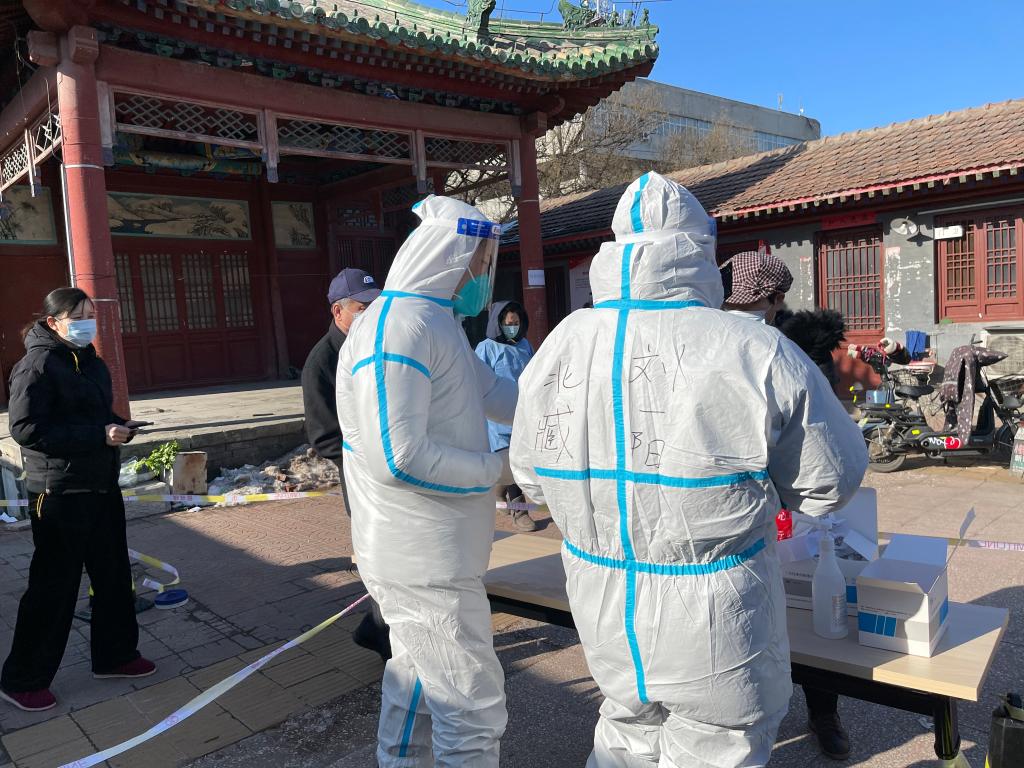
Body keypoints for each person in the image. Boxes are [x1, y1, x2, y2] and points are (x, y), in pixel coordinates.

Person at [509, 173, 868, 768]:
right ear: (701, 250)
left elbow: (530, 474)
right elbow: (831, 479)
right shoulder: (752, 345)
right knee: (717, 746)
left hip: (602, 603)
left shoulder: (562, 341)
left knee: (625, 731)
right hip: (716, 614)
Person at [336, 196, 517, 767]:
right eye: (481, 259)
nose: (484, 273)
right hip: (422, 557)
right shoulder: (399, 328)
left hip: (434, 552)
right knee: (470, 708)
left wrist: (568, 406)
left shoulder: (436, 323)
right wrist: (501, 469)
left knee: (416, 685)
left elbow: (495, 393)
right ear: (452, 254)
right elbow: (399, 456)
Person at [722, 253, 853, 762]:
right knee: (754, 612)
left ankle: (823, 710)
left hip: (794, 501)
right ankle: (755, 711)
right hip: (742, 507)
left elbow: (825, 442)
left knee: (813, 595)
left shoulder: (795, 345)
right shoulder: (707, 341)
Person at [2, 288, 156, 713]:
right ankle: (22, 679)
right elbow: (26, 429)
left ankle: (115, 656)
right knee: (54, 586)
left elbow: (94, 416)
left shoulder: (90, 361)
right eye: (78, 316)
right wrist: (97, 435)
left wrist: (119, 426)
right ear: (53, 322)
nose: (87, 323)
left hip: (100, 484)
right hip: (60, 491)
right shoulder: (36, 365)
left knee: (113, 575)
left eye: (91, 315)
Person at [301, 267, 391, 661]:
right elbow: (324, 438)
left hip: (393, 470)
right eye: (362, 309)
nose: (371, 316)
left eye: (376, 307)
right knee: (381, 559)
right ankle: (385, 640)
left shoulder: (377, 348)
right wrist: (369, 459)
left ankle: (375, 629)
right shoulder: (321, 362)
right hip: (362, 478)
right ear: (339, 312)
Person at [475, 300, 537, 532]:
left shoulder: (525, 345)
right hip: (497, 418)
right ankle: (519, 511)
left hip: (522, 412)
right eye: (509, 323)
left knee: (519, 461)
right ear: (499, 323)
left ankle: (500, 490)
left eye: (516, 323)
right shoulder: (486, 348)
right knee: (511, 460)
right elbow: (477, 381)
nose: (513, 327)